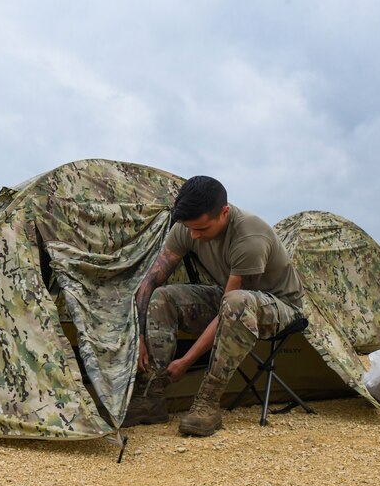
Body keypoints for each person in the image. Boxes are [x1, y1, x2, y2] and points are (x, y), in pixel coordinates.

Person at [127, 175, 304, 436]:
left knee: (236, 303)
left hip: (280, 306)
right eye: (191, 230)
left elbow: (234, 306)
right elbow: (150, 282)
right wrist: (139, 334)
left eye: (203, 229)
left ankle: (207, 402)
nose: (195, 237)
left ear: (224, 213)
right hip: (231, 298)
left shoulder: (249, 238)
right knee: (163, 297)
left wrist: (186, 361)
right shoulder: (188, 227)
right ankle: (149, 398)